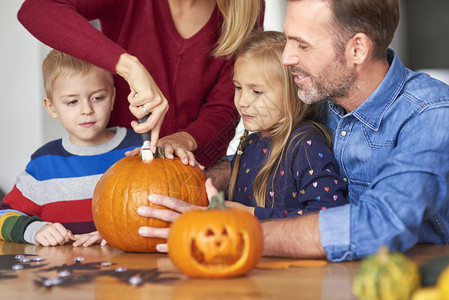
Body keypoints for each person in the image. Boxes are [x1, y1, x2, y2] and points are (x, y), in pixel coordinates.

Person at [135, 0, 449, 260]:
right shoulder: (315, 97)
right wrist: (182, 183)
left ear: (357, 49)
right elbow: (255, 156)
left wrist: (235, 229)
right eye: (287, 40)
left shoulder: (429, 114)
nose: (286, 58)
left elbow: (379, 225)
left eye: (303, 45)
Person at [17, 0, 264, 168]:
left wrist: (183, 139)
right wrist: (129, 67)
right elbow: (36, 9)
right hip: (113, 169)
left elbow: (225, 105)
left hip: (194, 178)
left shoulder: (246, 7)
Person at [0, 50, 141, 247]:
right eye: (72, 102)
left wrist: (115, 233)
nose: (86, 110)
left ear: (112, 97)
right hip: (66, 272)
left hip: (129, 271)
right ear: (52, 107)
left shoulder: (139, 148)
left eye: (97, 98)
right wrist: (34, 230)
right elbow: (3, 216)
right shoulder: (44, 164)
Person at [208, 31, 347, 220]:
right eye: (238, 87)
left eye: (256, 91)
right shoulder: (250, 144)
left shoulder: (305, 145)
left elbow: (328, 214)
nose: (242, 101)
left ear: (292, 93)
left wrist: (252, 215)